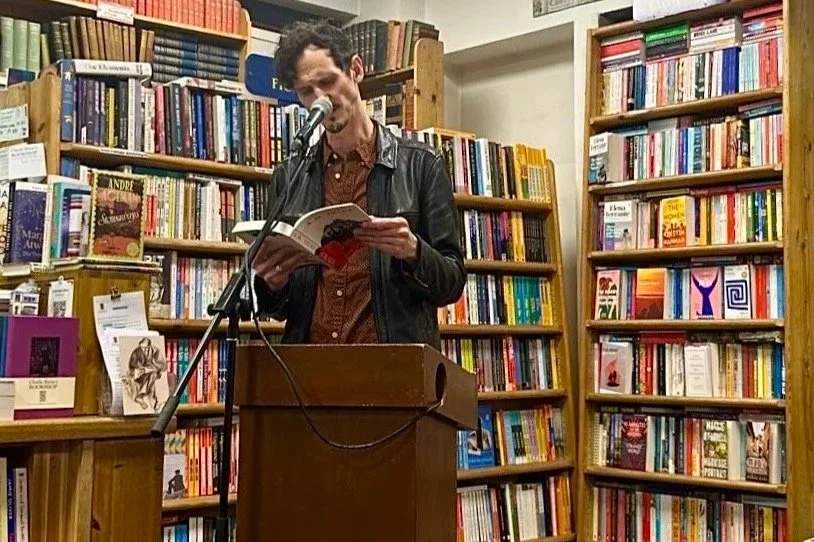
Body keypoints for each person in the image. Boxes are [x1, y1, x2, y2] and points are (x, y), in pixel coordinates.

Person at [252, 19, 466, 349]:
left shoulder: (421, 165)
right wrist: (273, 285)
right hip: (308, 369)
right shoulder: (290, 175)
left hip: (391, 368)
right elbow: (279, 309)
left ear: (356, 70)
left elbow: (452, 284)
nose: (320, 99)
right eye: (306, 91)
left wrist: (413, 251)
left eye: (327, 82)